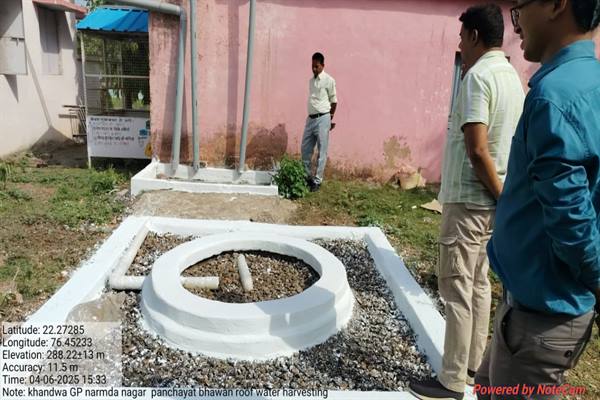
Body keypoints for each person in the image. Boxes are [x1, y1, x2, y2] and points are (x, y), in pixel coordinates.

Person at [475, 0, 600, 398]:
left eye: (520, 8)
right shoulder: (588, 81)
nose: (516, 24)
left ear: (557, 5)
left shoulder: (554, 96)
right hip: (533, 309)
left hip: (541, 319)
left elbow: (572, 219)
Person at [409, 4, 525, 400]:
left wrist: (499, 196)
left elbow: (477, 149)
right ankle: (474, 365)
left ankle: (452, 380)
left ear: (475, 35)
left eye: (462, 37)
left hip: (470, 201)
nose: (459, 45)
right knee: (478, 284)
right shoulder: (510, 76)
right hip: (491, 203)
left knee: (456, 288)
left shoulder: (478, 77)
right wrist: (503, 198)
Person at [301, 52, 337, 192]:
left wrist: (329, 118)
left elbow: (334, 101)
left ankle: (317, 180)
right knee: (305, 149)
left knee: (322, 150)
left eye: (316, 66)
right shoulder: (311, 81)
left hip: (323, 118)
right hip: (310, 119)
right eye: (312, 66)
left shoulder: (329, 80)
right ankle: (307, 177)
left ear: (323, 65)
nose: (314, 69)